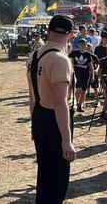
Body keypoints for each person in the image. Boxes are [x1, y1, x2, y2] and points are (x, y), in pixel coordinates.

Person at [26, 15, 76, 203]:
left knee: (45, 172)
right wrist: (66, 140)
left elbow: (31, 95)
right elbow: (60, 102)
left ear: (48, 31)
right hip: (54, 119)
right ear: (71, 34)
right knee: (57, 177)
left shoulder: (34, 56)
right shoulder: (60, 59)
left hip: (39, 115)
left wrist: (33, 124)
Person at [68, 40, 97, 112]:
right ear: (79, 45)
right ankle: (75, 102)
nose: (83, 46)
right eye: (81, 44)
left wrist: (92, 75)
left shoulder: (88, 54)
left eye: (84, 44)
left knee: (83, 90)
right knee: (78, 88)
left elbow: (91, 66)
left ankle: (79, 106)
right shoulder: (74, 53)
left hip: (85, 74)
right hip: (76, 74)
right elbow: (69, 61)